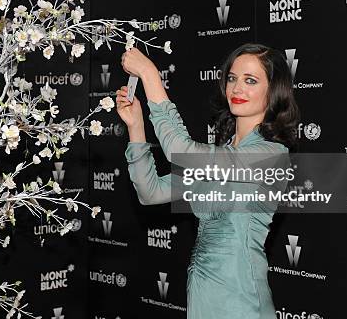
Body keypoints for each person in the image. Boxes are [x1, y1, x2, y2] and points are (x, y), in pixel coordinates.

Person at [116, 43, 300, 319]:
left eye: (250, 80)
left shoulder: (270, 154)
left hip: (240, 299)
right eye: (232, 78)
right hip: (203, 293)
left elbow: (181, 151)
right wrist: (136, 127)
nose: (237, 88)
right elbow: (150, 192)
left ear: (274, 91)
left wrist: (149, 74)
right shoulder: (224, 153)